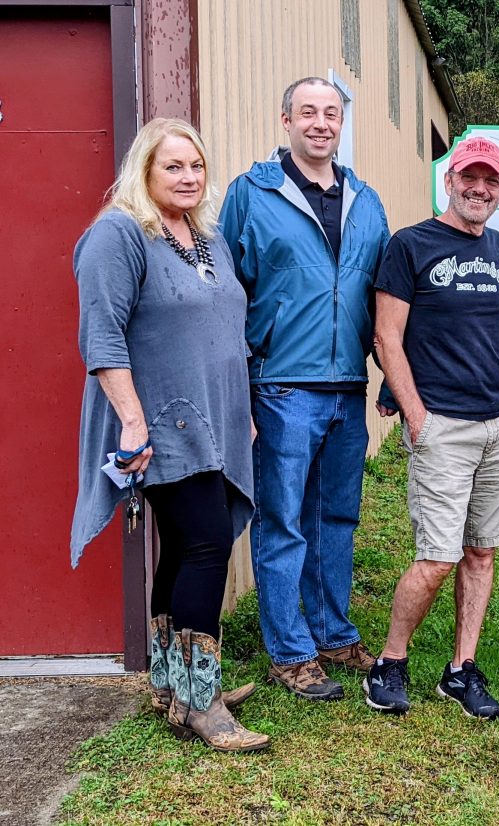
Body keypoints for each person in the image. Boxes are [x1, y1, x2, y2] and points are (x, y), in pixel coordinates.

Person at [70, 118, 268, 752]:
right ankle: (202, 700)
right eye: (173, 166)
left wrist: (243, 407)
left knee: (184, 546)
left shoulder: (207, 237)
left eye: (196, 166)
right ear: (145, 171)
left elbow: (225, 329)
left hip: (216, 416)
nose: (188, 178)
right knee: (207, 542)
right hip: (161, 419)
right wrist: (132, 422)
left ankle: (171, 682)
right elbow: (101, 336)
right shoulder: (119, 234)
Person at [220, 77, 390, 701]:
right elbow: (226, 294)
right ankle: (290, 651)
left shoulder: (366, 201)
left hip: (348, 385)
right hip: (281, 386)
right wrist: (238, 385)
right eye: (308, 112)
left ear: (342, 123)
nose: (321, 123)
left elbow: (382, 297)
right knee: (284, 521)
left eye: (331, 113)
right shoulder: (252, 193)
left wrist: (390, 376)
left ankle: (332, 632)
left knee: (337, 517)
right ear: (285, 119)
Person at [363, 136, 499, 721]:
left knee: (481, 551)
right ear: (450, 181)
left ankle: (461, 669)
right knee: (437, 557)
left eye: (491, 181)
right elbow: (387, 337)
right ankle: (390, 661)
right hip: (444, 426)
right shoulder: (410, 246)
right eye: (470, 177)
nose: (479, 189)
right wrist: (416, 415)